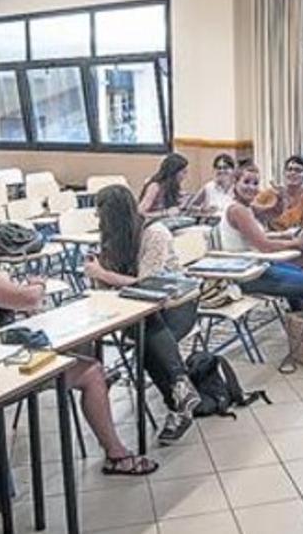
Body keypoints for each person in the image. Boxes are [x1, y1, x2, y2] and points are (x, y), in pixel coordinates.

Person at [0, 219, 158, 477]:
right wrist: (38, 283)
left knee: (82, 351)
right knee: (92, 373)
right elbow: (30, 299)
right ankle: (116, 454)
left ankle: (102, 406)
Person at [83, 185, 202, 445]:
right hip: (141, 312)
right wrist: (97, 271)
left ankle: (178, 399)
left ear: (116, 215)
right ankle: (180, 393)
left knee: (145, 334)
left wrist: (102, 274)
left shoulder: (154, 233)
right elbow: (105, 289)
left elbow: (148, 286)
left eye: (102, 215)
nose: (99, 221)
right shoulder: (113, 240)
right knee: (144, 329)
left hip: (177, 305)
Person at [220, 161, 303, 316]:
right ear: (235, 183)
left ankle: (302, 328)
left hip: (256, 265)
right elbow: (265, 246)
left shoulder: (246, 207)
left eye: (255, 183)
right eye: (246, 182)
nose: (251, 187)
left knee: (301, 276)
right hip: (247, 274)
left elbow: (271, 215)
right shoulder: (238, 210)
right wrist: (294, 243)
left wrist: (280, 200)